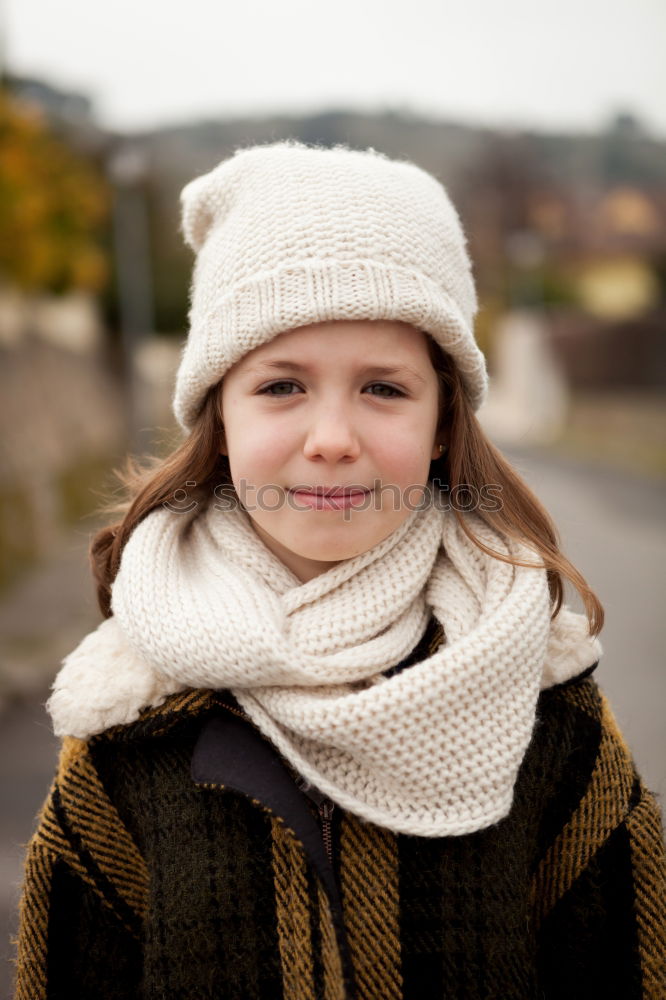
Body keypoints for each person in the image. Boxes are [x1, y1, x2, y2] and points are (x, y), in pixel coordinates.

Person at [13, 141, 665, 1000]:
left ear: (442, 425)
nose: (331, 437)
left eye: (384, 389)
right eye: (281, 386)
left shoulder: (542, 697)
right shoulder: (132, 712)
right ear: (219, 416)